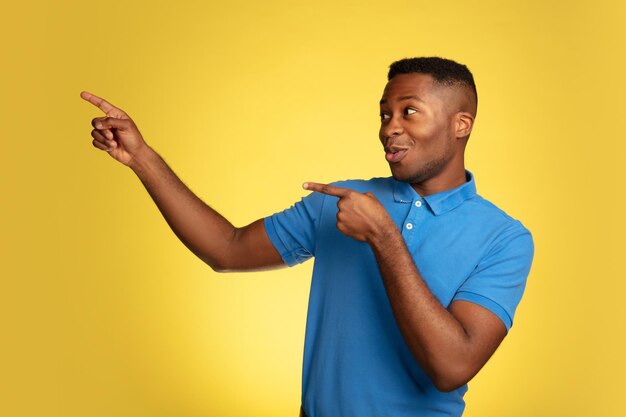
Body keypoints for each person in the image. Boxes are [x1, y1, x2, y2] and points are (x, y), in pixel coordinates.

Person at [81, 57, 534, 417]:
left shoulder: (505, 239)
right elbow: (226, 249)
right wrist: (141, 158)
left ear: (461, 124)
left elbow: (452, 367)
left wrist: (383, 237)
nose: (389, 127)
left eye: (409, 111)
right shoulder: (341, 201)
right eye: (385, 113)